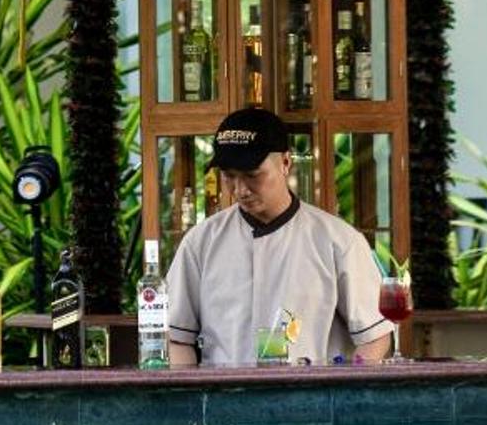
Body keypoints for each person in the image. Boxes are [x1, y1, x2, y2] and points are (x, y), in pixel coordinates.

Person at [166, 107, 392, 369]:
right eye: (229, 176)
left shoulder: (339, 241)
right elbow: (177, 338)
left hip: (311, 392)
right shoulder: (200, 243)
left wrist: (347, 387)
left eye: (252, 175)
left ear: (285, 163)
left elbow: (375, 336)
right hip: (224, 391)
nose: (240, 190)